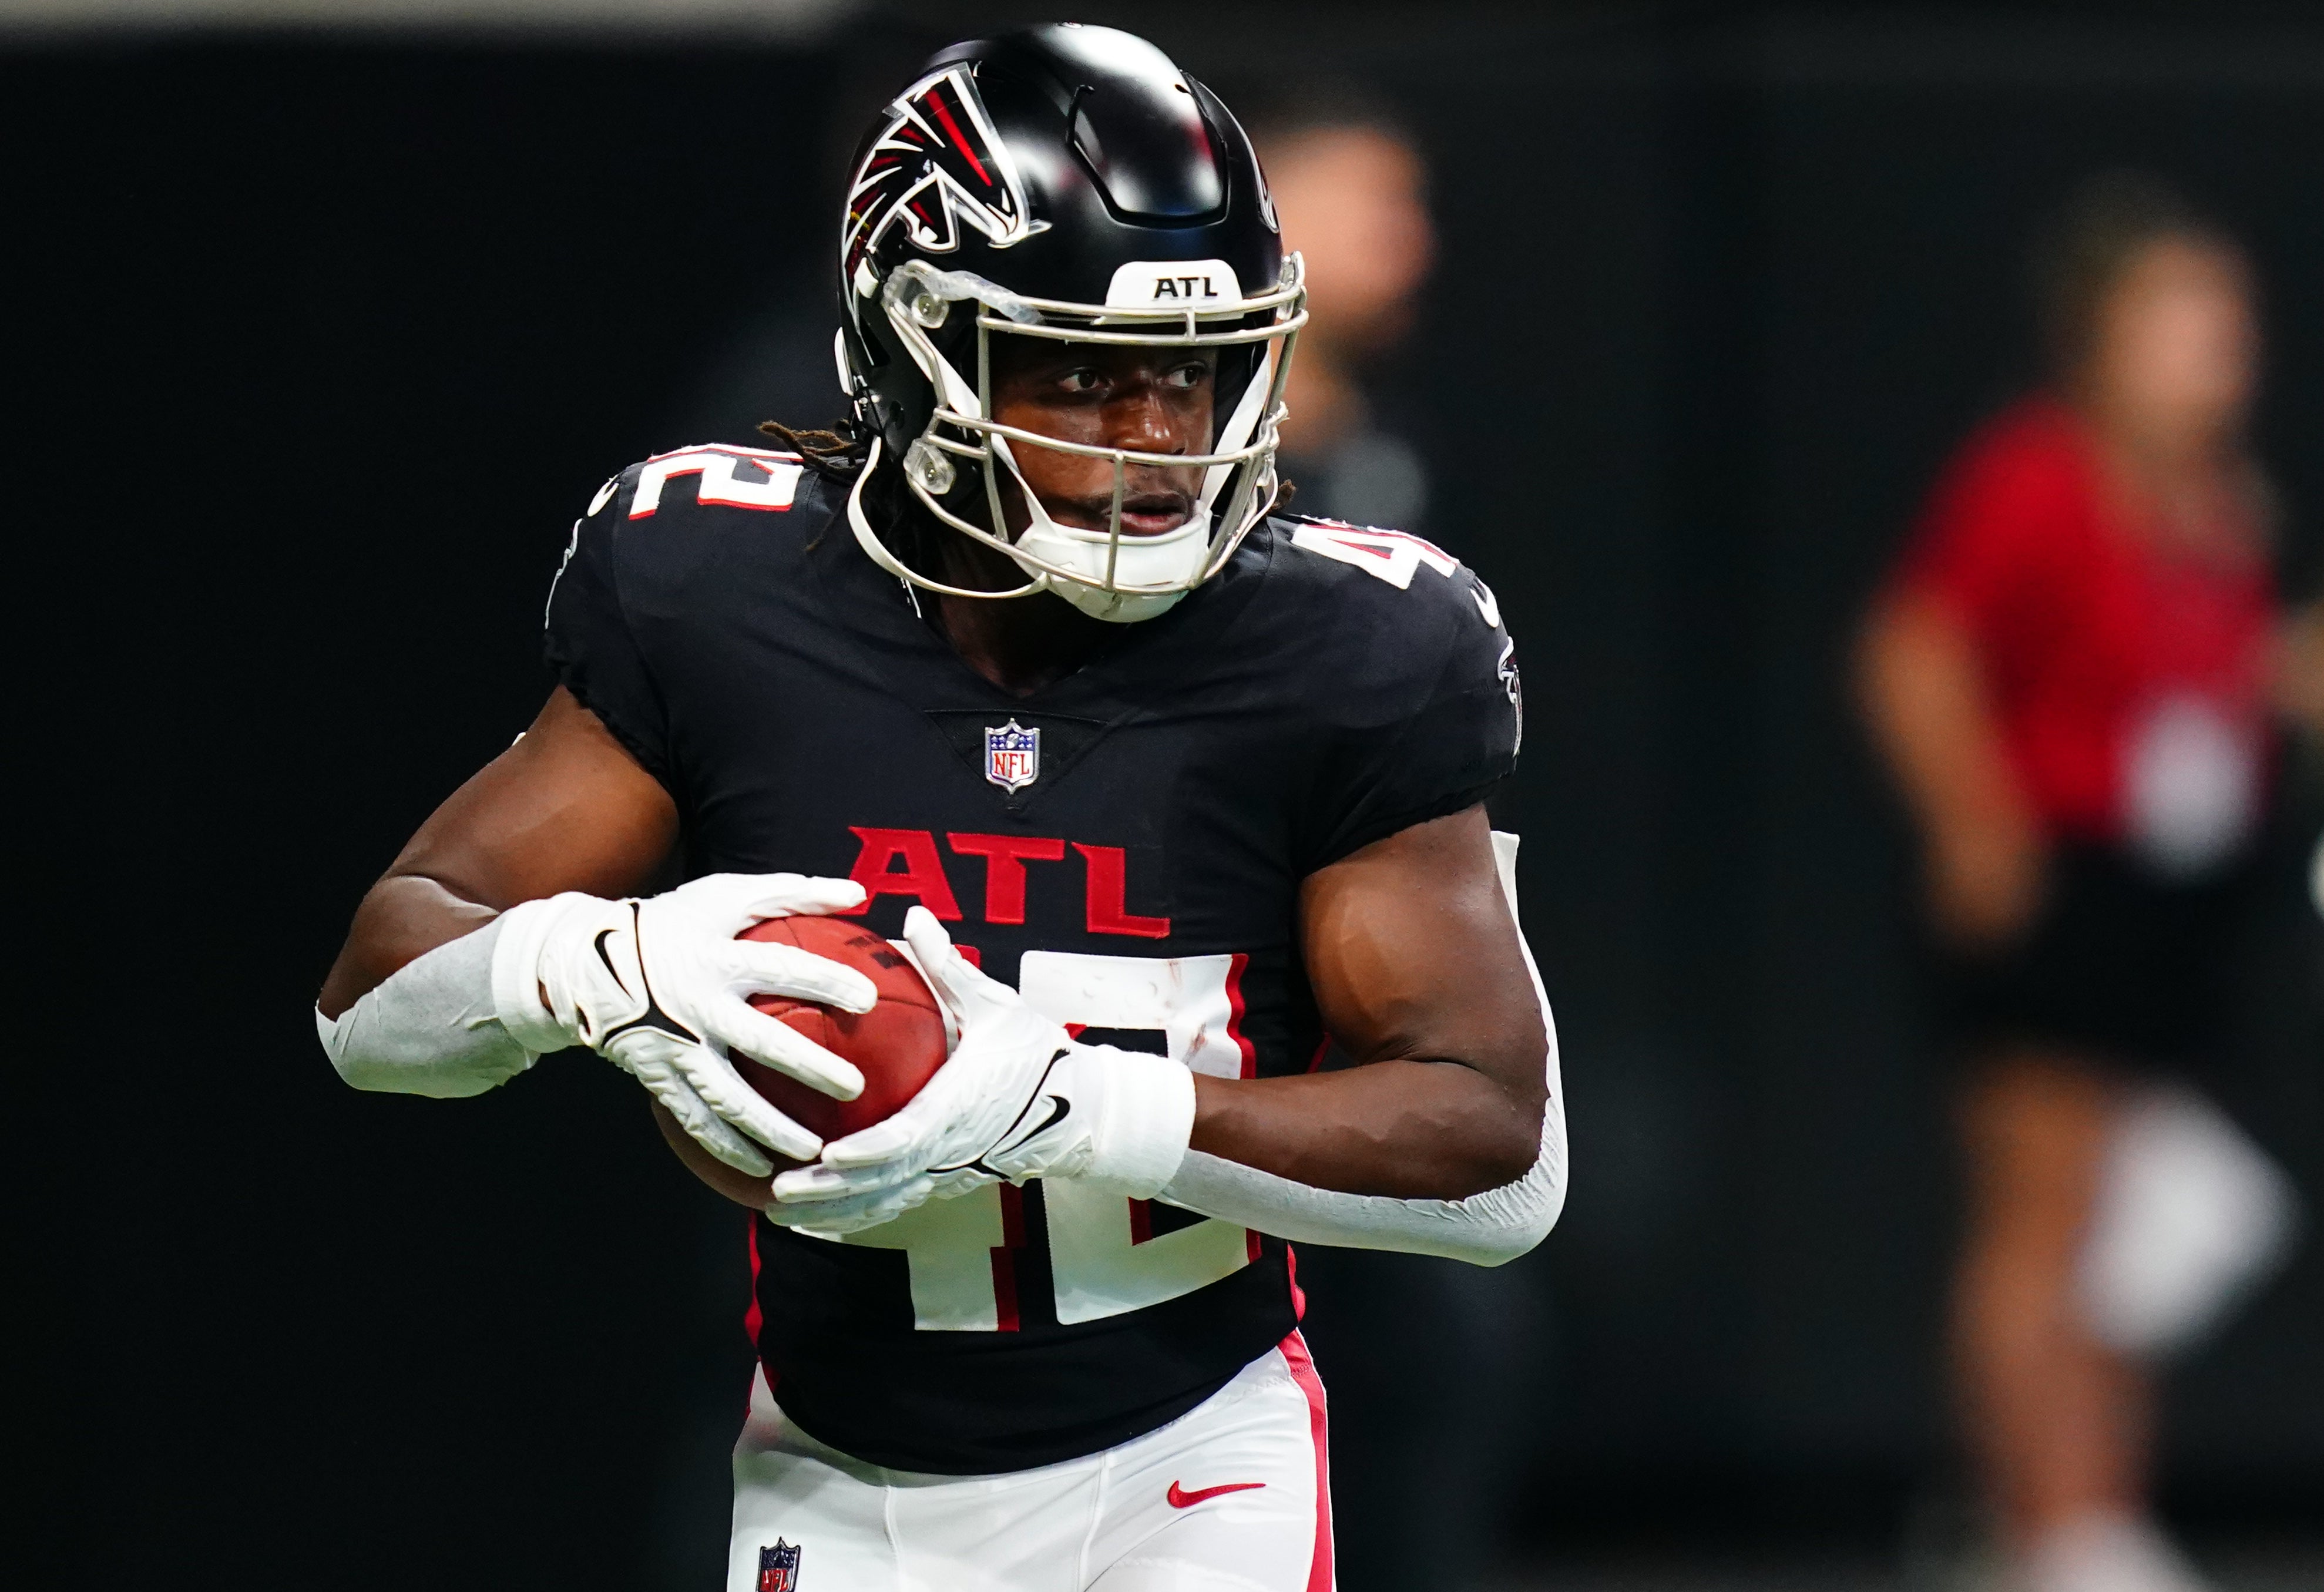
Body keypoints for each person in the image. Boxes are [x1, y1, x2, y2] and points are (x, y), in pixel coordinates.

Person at [313, 25, 1564, 1592]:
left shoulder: (1356, 641)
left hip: (1190, 1448)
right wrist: (599, 965)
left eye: (1192, 371)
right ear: (911, 343)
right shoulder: (718, 587)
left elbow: (1502, 1165)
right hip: (830, 1456)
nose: (1153, 441)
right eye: (1078, 370)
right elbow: (371, 1000)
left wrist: (1071, 1099)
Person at [1858, 174, 2322, 1592]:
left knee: (2137, 1236)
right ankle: (2037, 1524)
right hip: (2056, 898)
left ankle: (2092, 1508)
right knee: (2042, 1225)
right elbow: (1911, 651)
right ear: (2097, 334)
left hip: (2170, 909)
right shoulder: (2034, 476)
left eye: (2228, 318)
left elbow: (2203, 686)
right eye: (2182, 316)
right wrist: (1976, 825)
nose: (2218, 345)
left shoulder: (2224, 507)